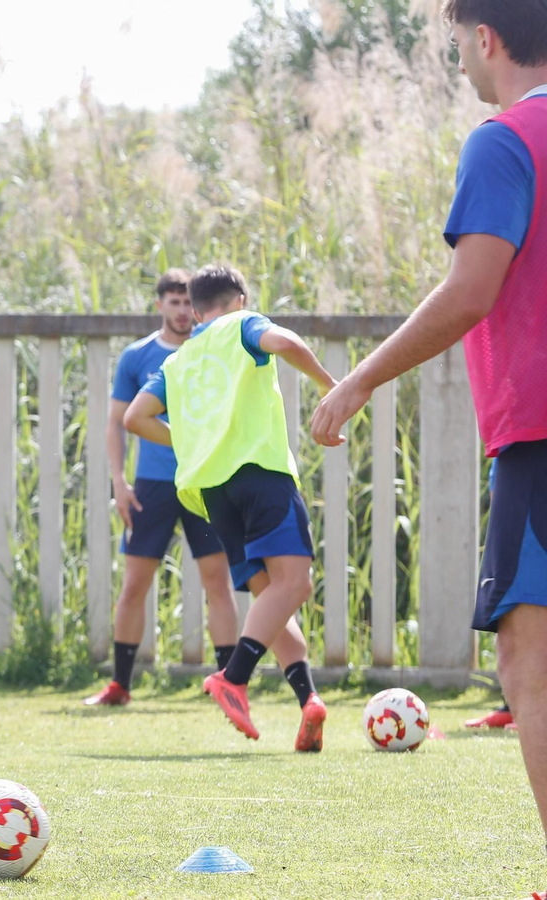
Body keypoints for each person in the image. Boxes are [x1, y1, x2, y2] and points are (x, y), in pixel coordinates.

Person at [310, 0, 547, 869]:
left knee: (530, 654)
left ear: (484, 38)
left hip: (539, 436)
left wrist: (362, 377)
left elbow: (471, 289)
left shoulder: (505, 139)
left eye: (457, 41)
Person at [125, 264, 334, 751]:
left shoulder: (177, 361)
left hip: (214, 494)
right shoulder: (243, 324)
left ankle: (309, 702)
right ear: (241, 297)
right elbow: (284, 343)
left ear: (194, 312)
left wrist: (196, 440)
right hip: (260, 475)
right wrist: (331, 385)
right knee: (295, 584)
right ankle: (233, 678)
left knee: (271, 600)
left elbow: (136, 417)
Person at [85, 269, 239, 707]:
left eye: (187, 302)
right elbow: (117, 423)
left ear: (198, 307)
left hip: (205, 480)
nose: (181, 310)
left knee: (217, 581)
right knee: (135, 583)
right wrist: (119, 482)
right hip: (151, 486)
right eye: (172, 301)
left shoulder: (212, 351)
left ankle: (229, 683)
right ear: (160, 306)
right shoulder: (137, 357)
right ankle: (120, 685)